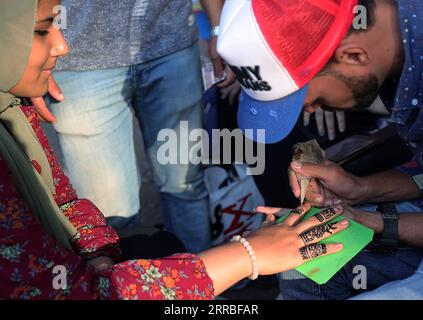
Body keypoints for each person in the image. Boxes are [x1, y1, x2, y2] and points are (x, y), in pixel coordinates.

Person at [0, 0, 350, 300]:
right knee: (113, 210)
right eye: (46, 27)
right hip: (88, 66)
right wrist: (246, 256)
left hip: (169, 44)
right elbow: (72, 288)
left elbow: (67, 205)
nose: (62, 45)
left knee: (184, 184)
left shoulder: (15, 106)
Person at [217, 0, 423, 299]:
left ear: (353, 56)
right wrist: (361, 189)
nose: (311, 112)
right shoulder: (397, 48)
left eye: (313, 100)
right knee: (302, 264)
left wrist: (371, 221)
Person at [29, 0, 231, 253]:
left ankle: (202, 286)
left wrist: (219, 27)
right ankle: (124, 290)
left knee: (186, 186)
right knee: (107, 213)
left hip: (172, 43)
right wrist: (31, 58)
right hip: (78, 57)